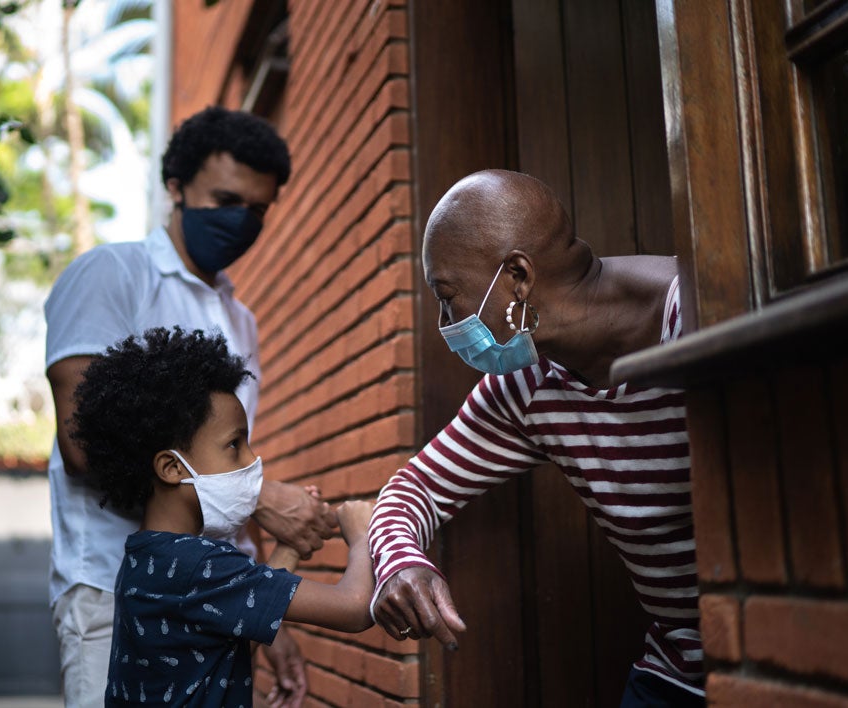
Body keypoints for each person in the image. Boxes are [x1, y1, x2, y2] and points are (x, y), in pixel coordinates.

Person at [368, 170, 703, 707]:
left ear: (517, 278)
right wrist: (400, 561)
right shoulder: (523, 385)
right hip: (677, 671)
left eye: (447, 296)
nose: (444, 322)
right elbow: (413, 489)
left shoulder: (699, 314)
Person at [45, 107, 334, 707]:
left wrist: (265, 608)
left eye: (257, 210)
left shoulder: (239, 319)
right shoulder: (112, 274)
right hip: (115, 593)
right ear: (175, 187)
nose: (240, 220)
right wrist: (264, 498)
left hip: (216, 598)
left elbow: (223, 462)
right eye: (225, 199)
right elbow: (81, 444)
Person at [69, 327, 374, 707]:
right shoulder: (199, 566)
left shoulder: (148, 559)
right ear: (171, 467)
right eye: (234, 445)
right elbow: (355, 608)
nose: (252, 461)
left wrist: (291, 545)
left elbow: (232, 630)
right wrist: (362, 534)